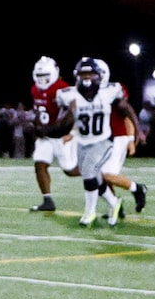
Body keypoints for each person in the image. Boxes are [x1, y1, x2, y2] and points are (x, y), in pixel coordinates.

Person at [66, 56, 146, 224]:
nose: (89, 78)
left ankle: (136, 188)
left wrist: (132, 137)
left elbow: (126, 114)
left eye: (93, 73)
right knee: (92, 173)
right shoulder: (83, 92)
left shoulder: (113, 90)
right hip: (96, 139)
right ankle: (116, 205)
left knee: (105, 174)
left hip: (117, 137)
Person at [24, 55, 77, 211]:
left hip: (62, 136)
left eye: (45, 75)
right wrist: (36, 124)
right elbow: (38, 110)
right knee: (40, 164)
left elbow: (74, 110)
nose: (42, 79)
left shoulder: (62, 88)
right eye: (39, 76)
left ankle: (99, 179)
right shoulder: (34, 89)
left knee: (70, 170)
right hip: (45, 137)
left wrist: (58, 127)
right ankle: (47, 200)